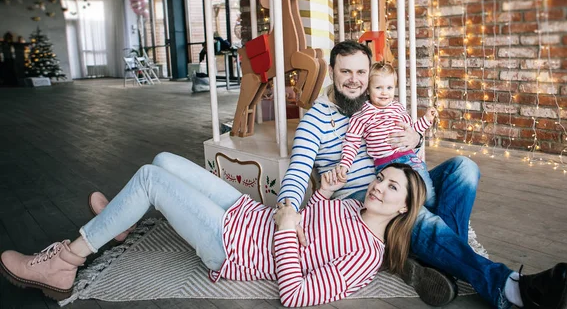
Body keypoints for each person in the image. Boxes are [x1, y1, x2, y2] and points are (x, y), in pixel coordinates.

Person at [277, 40, 567, 309]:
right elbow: (298, 169)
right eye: (345, 72)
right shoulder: (315, 121)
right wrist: (288, 208)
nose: (354, 80)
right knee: (421, 218)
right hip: (363, 200)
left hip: (402, 180)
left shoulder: (379, 104)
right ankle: (510, 288)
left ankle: (441, 262)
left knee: (464, 168)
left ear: (370, 75)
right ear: (331, 71)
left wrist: (414, 139)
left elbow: (409, 144)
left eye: (361, 72)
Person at [0, 152, 426, 308]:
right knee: (166, 160)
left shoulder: (365, 258)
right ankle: (118, 222)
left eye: (392, 187)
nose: (379, 186)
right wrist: (321, 195)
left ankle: (65, 262)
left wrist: (285, 225)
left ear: (405, 207)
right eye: (380, 177)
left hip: (234, 246)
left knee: (150, 177)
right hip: (248, 214)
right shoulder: (351, 206)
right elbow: (308, 223)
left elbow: (295, 296)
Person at [331, 61, 438, 208]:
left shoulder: (398, 108)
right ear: (368, 90)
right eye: (378, 87)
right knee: (405, 199)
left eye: (389, 87)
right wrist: (345, 164)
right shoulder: (362, 114)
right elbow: (351, 142)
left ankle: (434, 216)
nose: (384, 92)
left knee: (427, 195)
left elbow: (412, 130)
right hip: (385, 166)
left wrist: (426, 120)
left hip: (410, 159)